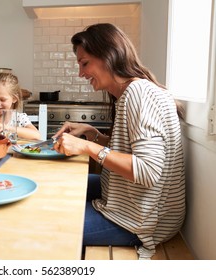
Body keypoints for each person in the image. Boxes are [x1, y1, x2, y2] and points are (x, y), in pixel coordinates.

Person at [53, 23, 185, 259]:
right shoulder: (133, 91)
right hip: (131, 204)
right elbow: (129, 150)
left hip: (142, 223)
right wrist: (92, 133)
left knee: (50, 221)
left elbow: (147, 171)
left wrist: (86, 146)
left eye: (85, 63)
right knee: (61, 186)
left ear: (108, 56)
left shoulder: (138, 93)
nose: (81, 73)